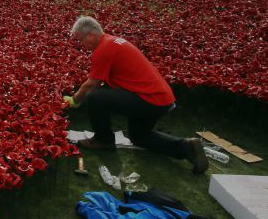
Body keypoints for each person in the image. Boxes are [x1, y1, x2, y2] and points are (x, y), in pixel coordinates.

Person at [68, 16, 208, 173]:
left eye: (80, 40)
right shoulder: (112, 41)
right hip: (160, 98)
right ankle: (187, 147)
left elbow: (90, 85)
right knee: (139, 136)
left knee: (96, 97)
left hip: (149, 99)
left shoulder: (104, 49)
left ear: (91, 36)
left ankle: (103, 140)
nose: (81, 45)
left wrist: (74, 100)